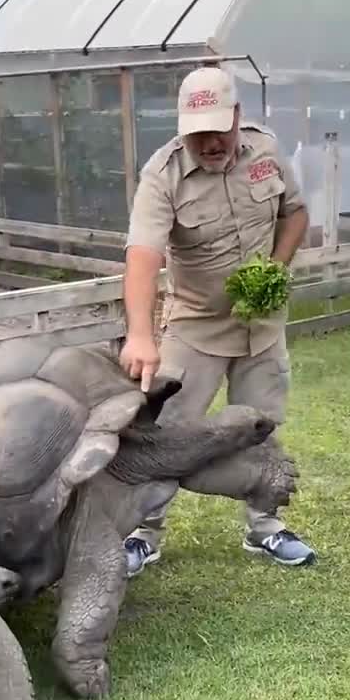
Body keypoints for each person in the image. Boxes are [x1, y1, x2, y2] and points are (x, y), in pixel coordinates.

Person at [116, 65, 317, 576]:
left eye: (217, 128)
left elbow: (295, 213)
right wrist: (140, 333)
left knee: (261, 424)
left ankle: (265, 527)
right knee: (164, 432)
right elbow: (143, 253)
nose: (208, 141)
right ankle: (143, 531)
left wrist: (276, 267)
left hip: (262, 327)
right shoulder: (162, 174)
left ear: (237, 117)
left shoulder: (266, 150)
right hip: (196, 325)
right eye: (196, 131)